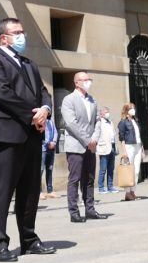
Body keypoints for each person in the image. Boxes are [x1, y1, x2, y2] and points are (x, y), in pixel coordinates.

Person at [0, 17, 56, 261]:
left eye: (23, 31)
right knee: (2, 193)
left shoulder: (29, 64)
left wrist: (46, 110)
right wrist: (33, 116)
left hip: (32, 135)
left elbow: (43, 92)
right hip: (5, 136)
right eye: (17, 32)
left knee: (30, 192)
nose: (22, 36)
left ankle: (29, 240)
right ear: (4, 38)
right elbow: (1, 93)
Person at [61, 71, 103, 223]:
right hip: (76, 146)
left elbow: (98, 121)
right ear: (77, 83)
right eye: (84, 80)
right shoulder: (69, 100)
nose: (88, 82)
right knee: (75, 179)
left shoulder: (92, 100)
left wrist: (94, 139)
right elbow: (71, 123)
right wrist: (87, 140)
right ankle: (74, 212)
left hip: (91, 146)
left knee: (89, 178)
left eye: (89, 79)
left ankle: (90, 210)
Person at [117, 103, 142, 201]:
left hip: (138, 146)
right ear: (126, 110)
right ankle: (127, 193)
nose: (133, 110)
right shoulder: (123, 122)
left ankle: (133, 192)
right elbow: (121, 137)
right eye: (131, 108)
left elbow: (139, 136)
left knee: (136, 171)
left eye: (134, 108)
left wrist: (142, 149)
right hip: (129, 146)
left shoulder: (136, 120)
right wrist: (124, 151)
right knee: (129, 171)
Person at [96, 106, 117, 194]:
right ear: (101, 114)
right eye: (106, 112)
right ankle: (101, 187)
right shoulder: (99, 122)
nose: (108, 113)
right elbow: (97, 134)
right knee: (103, 169)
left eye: (108, 111)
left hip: (112, 146)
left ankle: (110, 186)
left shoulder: (110, 122)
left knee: (111, 168)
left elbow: (113, 134)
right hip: (104, 147)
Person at [41, 116, 59, 199]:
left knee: (49, 169)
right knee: (40, 170)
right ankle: (39, 192)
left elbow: (55, 132)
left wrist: (54, 142)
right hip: (43, 149)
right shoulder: (41, 119)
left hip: (51, 149)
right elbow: (40, 134)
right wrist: (48, 143)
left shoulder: (51, 121)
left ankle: (50, 190)